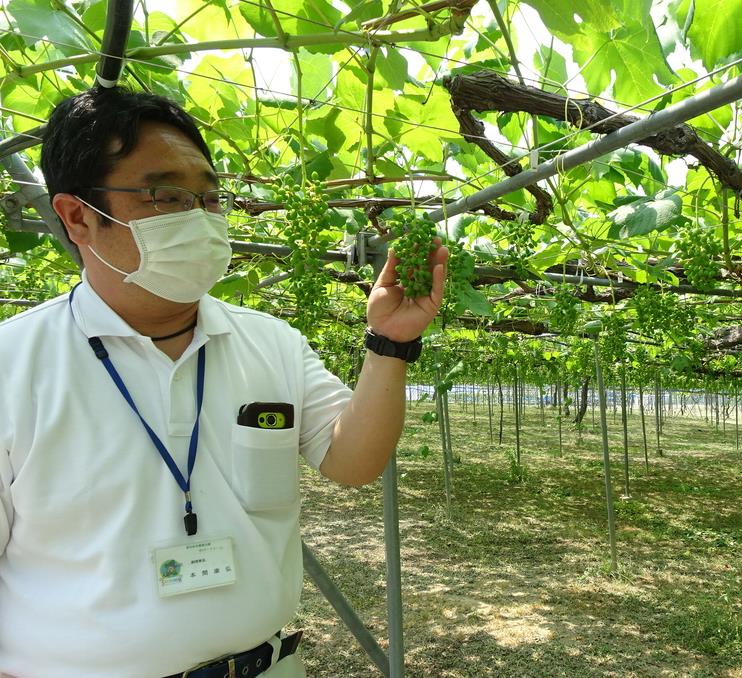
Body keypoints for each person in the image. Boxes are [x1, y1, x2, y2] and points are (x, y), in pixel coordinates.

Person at [0, 86, 447, 678]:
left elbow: (352, 460)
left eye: (209, 198)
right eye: (164, 195)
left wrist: (390, 343)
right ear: (78, 215)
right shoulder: (12, 363)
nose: (198, 216)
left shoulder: (271, 341)